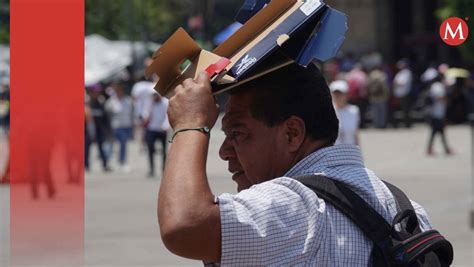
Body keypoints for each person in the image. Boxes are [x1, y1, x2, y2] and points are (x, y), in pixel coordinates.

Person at [157, 63, 433, 265]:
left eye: (238, 134)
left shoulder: (296, 205)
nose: (224, 151)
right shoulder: (406, 209)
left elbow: (184, 225)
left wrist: (189, 125)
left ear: (292, 133)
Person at [105, 82, 134, 172]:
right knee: (112, 144)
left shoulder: (128, 101)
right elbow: (107, 113)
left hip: (126, 125)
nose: (119, 92)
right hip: (116, 126)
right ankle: (109, 160)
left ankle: (122, 161)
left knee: (123, 144)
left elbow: (132, 113)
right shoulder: (111, 101)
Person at [143, 93, 170, 177]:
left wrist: (165, 126)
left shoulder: (165, 103)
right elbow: (145, 115)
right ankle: (151, 169)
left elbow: (167, 116)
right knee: (150, 149)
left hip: (162, 129)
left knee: (164, 150)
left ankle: (164, 169)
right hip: (151, 129)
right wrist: (150, 106)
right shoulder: (149, 103)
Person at [426, 76, 452, 155]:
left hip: (438, 113)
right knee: (436, 132)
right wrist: (447, 100)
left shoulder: (436, 86)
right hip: (436, 113)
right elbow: (440, 97)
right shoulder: (438, 86)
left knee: (439, 132)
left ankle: (446, 149)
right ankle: (444, 149)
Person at [329, 80, 360, 145]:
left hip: (350, 151)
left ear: (346, 95)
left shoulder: (354, 111)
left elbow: (355, 133)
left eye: (341, 94)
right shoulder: (328, 111)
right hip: (334, 151)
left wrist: (359, 152)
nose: (338, 96)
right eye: (335, 94)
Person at [393, 59, 413, 128]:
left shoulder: (407, 72)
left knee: (406, 110)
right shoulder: (399, 73)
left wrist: (396, 84)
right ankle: (399, 123)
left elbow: (402, 83)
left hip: (405, 94)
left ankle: (407, 124)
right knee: (399, 110)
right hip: (398, 94)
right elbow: (395, 82)